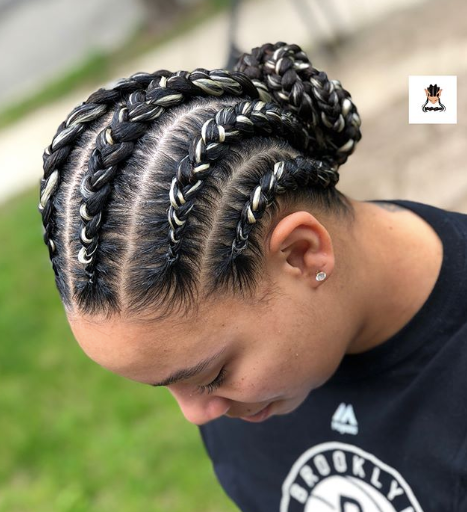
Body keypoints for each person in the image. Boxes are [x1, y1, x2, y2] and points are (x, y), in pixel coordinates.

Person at [38, 42, 466, 511]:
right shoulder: (246, 407)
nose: (197, 415)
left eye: (213, 375)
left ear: (302, 254)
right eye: (165, 385)